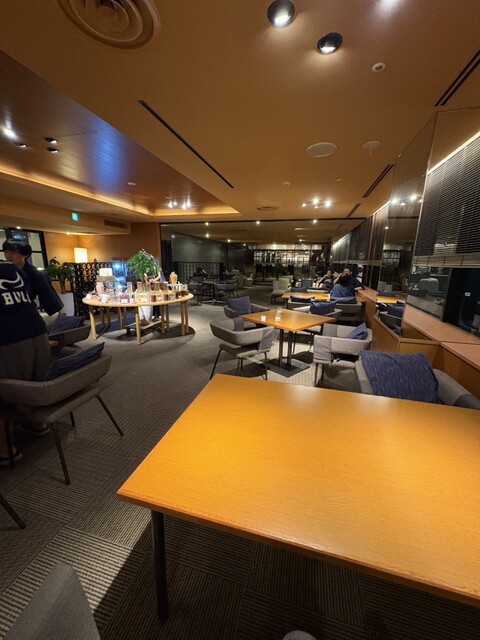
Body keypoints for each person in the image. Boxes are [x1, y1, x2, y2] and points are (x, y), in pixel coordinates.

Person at [0, 263, 53, 464]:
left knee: (6, 391)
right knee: (36, 380)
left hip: (7, 336)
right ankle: (38, 423)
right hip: (36, 328)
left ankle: (5, 449)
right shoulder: (12, 270)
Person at [2, 240, 64, 316]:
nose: (8, 256)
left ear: (25, 255)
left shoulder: (34, 274)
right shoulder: (3, 271)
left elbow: (50, 298)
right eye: (6, 252)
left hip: (26, 313)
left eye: (14, 253)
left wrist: (63, 317)